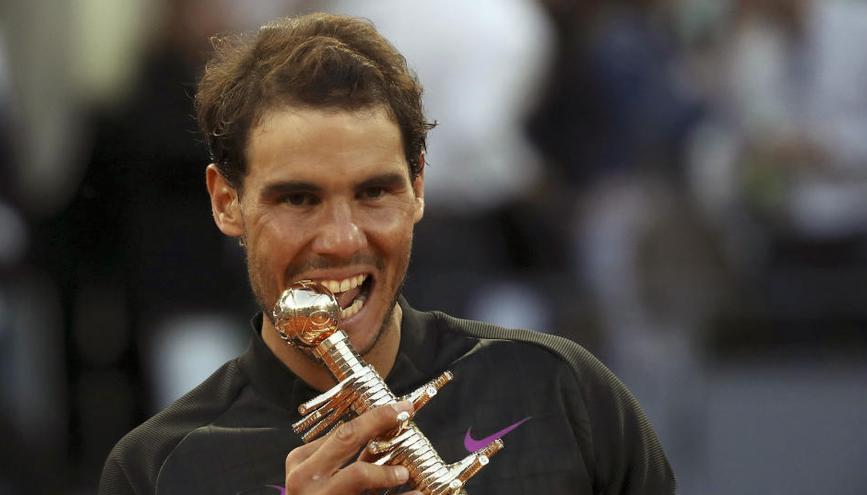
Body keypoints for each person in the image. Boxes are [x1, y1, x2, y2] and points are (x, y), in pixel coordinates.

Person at [98, 13, 675, 494]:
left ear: (418, 188)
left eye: (375, 192)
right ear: (227, 202)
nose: (343, 239)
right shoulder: (158, 470)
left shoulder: (564, 392)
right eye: (298, 199)